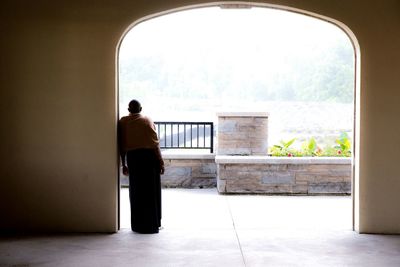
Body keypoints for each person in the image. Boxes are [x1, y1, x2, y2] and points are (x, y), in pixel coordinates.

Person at [118, 99, 164, 234]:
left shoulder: (123, 122)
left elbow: (122, 145)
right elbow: (155, 144)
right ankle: (154, 224)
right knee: (151, 192)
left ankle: (138, 225)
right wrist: (160, 162)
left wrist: (123, 164)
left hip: (134, 159)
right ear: (141, 108)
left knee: (136, 192)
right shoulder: (147, 120)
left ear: (128, 109)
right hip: (149, 159)